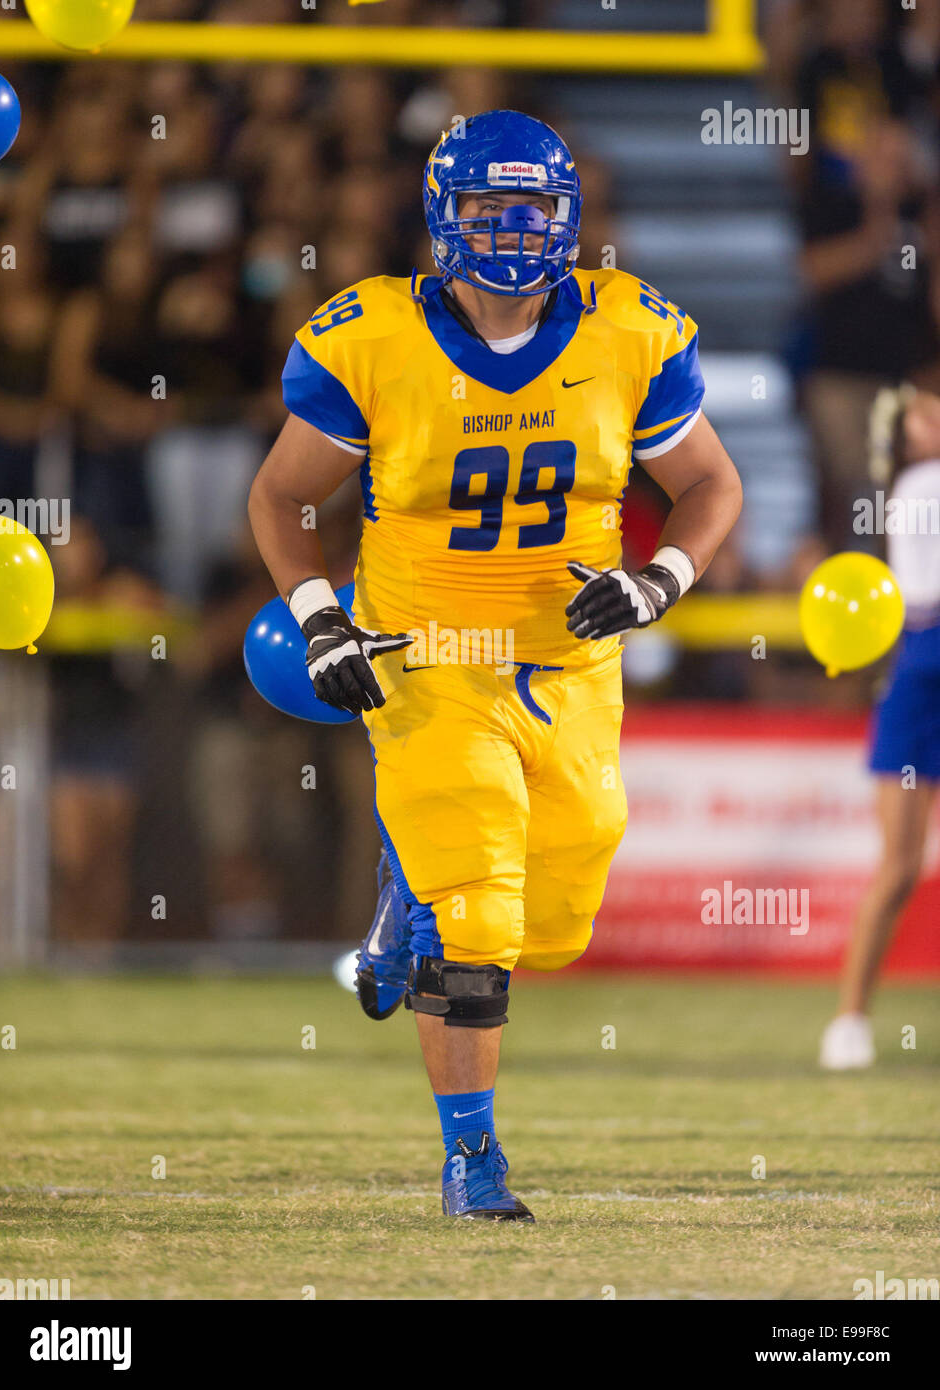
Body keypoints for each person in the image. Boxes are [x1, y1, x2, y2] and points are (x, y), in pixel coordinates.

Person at [249, 111, 743, 1220]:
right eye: (489, 210)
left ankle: (399, 894)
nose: (516, 234)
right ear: (442, 215)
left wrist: (659, 579)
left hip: (570, 662)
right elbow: (283, 495)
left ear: (569, 220)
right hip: (423, 656)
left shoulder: (632, 331)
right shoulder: (372, 335)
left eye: (535, 211)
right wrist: (323, 617)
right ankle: (473, 1162)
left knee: (556, 924)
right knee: (476, 913)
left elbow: (713, 486)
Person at [820, 387, 940, 1069]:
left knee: (897, 866)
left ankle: (849, 1022)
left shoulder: (907, 487)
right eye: (922, 413)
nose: (936, 414)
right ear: (906, 443)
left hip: (913, 669)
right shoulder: (923, 483)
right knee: (898, 865)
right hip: (924, 661)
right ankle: (849, 1018)